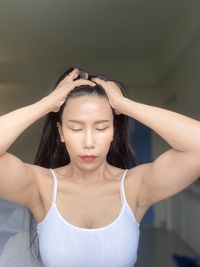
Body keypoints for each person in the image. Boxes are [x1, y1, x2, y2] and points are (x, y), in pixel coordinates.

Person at [0, 67, 200, 267]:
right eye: (76, 128)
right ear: (61, 132)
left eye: (101, 127)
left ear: (114, 130)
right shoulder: (39, 186)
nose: (89, 142)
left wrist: (125, 105)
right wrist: (46, 104)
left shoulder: (135, 186)